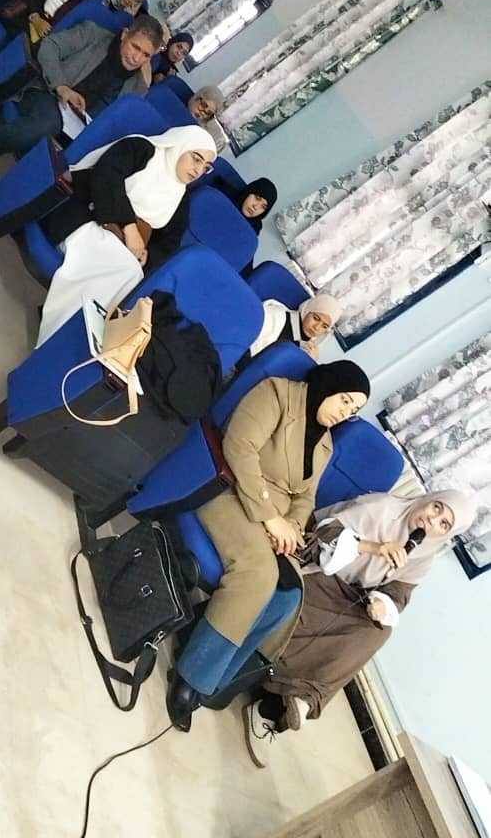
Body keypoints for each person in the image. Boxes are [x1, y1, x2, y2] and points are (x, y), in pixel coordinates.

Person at [165, 361, 371, 732]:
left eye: (353, 410)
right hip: (228, 490)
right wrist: (270, 518)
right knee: (257, 574)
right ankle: (189, 678)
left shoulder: (324, 445)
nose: (345, 413)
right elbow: (239, 448)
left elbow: (306, 498)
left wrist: (291, 527)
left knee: (289, 595)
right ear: (329, 385)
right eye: (344, 400)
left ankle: (211, 669)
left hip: (273, 522)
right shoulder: (278, 393)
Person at [242, 488, 475, 767]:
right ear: (428, 500)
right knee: (330, 629)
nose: (432, 520)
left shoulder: (424, 554)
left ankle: (302, 699)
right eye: (436, 508)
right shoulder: (383, 508)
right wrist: (374, 547)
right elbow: (321, 536)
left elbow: (399, 593)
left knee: (378, 631)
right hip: (315, 570)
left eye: (444, 524)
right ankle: (275, 706)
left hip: (348, 594)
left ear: (447, 534)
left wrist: (383, 603)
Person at [36, 125, 217, 345]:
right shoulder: (142, 149)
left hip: (125, 251)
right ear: (181, 145)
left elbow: (168, 243)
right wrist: (130, 227)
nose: (198, 170)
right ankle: (55, 336)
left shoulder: (181, 198)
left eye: (206, 167)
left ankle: (68, 333)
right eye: (196, 158)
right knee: (119, 267)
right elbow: (105, 176)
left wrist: (146, 255)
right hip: (88, 215)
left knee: (131, 274)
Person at [0, 15, 164, 196]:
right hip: (50, 94)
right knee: (45, 125)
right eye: (135, 47)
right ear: (125, 34)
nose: (136, 58)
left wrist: (145, 84)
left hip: (80, 128)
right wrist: (62, 86)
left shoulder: (136, 85)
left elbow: (123, 122)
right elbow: (50, 46)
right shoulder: (93, 34)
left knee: (89, 170)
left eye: (146, 55)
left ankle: (12, 210)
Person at [248, 293, 343, 362]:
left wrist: (307, 361)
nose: (317, 327)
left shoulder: (307, 349)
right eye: (316, 318)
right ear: (306, 310)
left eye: (324, 326)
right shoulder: (275, 316)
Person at [187, 84, 226, 153]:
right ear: (197, 97)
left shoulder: (200, 131)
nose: (202, 112)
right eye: (204, 105)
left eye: (208, 113)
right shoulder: (173, 104)